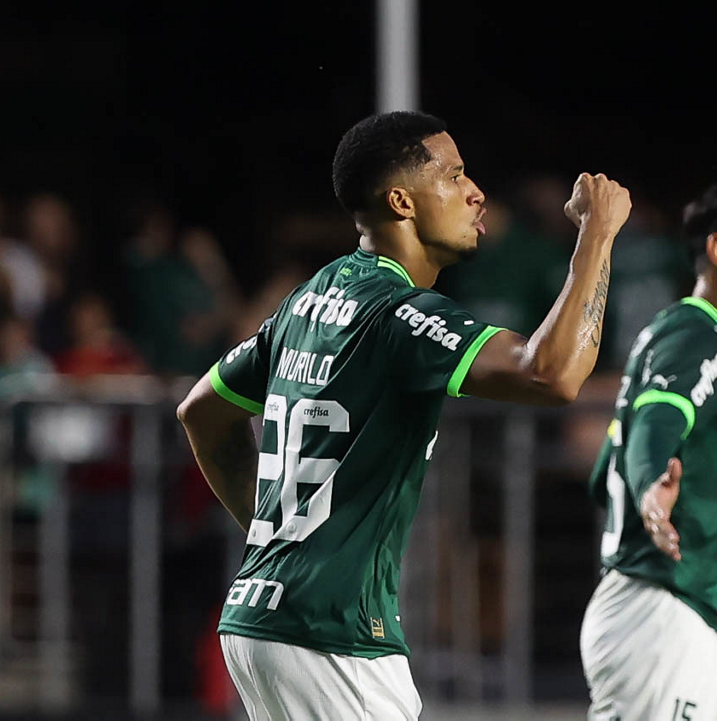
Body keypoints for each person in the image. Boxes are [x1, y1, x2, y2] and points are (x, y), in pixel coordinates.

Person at [175, 110, 631, 720]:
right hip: (333, 636)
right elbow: (552, 373)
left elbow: (200, 413)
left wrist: (279, 538)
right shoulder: (398, 314)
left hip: (262, 617)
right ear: (401, 201)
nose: (476, 192)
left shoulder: (310, 299)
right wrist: (597, 236)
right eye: (454, 175)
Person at [579, 179, 717, 720]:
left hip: (704, 617)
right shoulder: (698, 333)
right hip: (661, 617)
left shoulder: (714, 344)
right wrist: (651, 485)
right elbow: (657, 423)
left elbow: (607, 471)